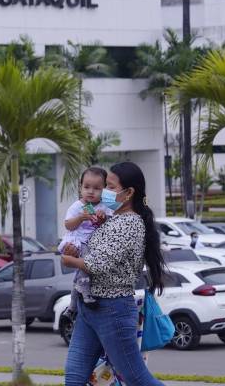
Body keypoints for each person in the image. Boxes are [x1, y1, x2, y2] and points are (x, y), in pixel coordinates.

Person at [61, 162, 166, 386]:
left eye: (109, 186)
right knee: (74, 376)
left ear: (128, 193)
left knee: (136, 377)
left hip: (112, 309)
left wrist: (70, 260)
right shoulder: (113, 219)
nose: (104, 192)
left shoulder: (129, 223)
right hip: (89, 306)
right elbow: (92, 249)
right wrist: (75, 250)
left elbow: (97, 263)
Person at [57, 167, 112, 311]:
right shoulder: (77, 206)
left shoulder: (105, 206)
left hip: (93, 242)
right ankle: (85, 294)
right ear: (80, 187)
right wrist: (81, 218)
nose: (91, 191)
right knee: (86, 265)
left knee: (79, 275)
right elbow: (68, 225)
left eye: (96, 188)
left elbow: (107, 225)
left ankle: (72, 307)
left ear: (104, 190)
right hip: (78, 241)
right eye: (86, 187)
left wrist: (103, 218)